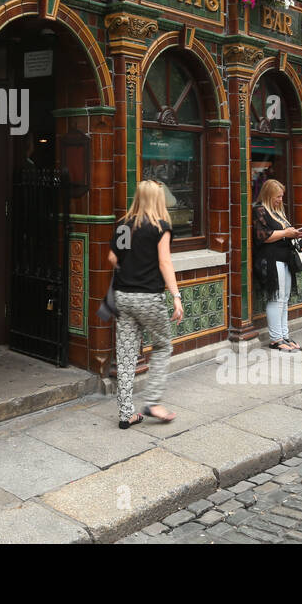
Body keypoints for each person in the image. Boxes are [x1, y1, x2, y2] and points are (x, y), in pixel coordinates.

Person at [107, 179, 183, 430]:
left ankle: (126, 413)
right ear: (157, 199)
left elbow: (112, 258)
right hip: (149, 297)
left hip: (123, 297)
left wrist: (130, 265)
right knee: (162, 346)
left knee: (127, 355)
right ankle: (152, 402)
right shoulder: (160, 227)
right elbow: (164, 263)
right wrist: (176, 297)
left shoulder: (124, 225)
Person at [253, 178, 302, 351]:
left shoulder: (278, 211)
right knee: (276, 298)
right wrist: (286, 232)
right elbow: (263, 235)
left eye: (281, 196)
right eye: (277, 197)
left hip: (285, 259)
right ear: (268, 195)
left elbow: (283, 233)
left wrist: (294, 234)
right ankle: (276, 339)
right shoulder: (259, 210)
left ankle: (284, 335)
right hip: (271, 260)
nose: (280, 200)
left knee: (284, 299)